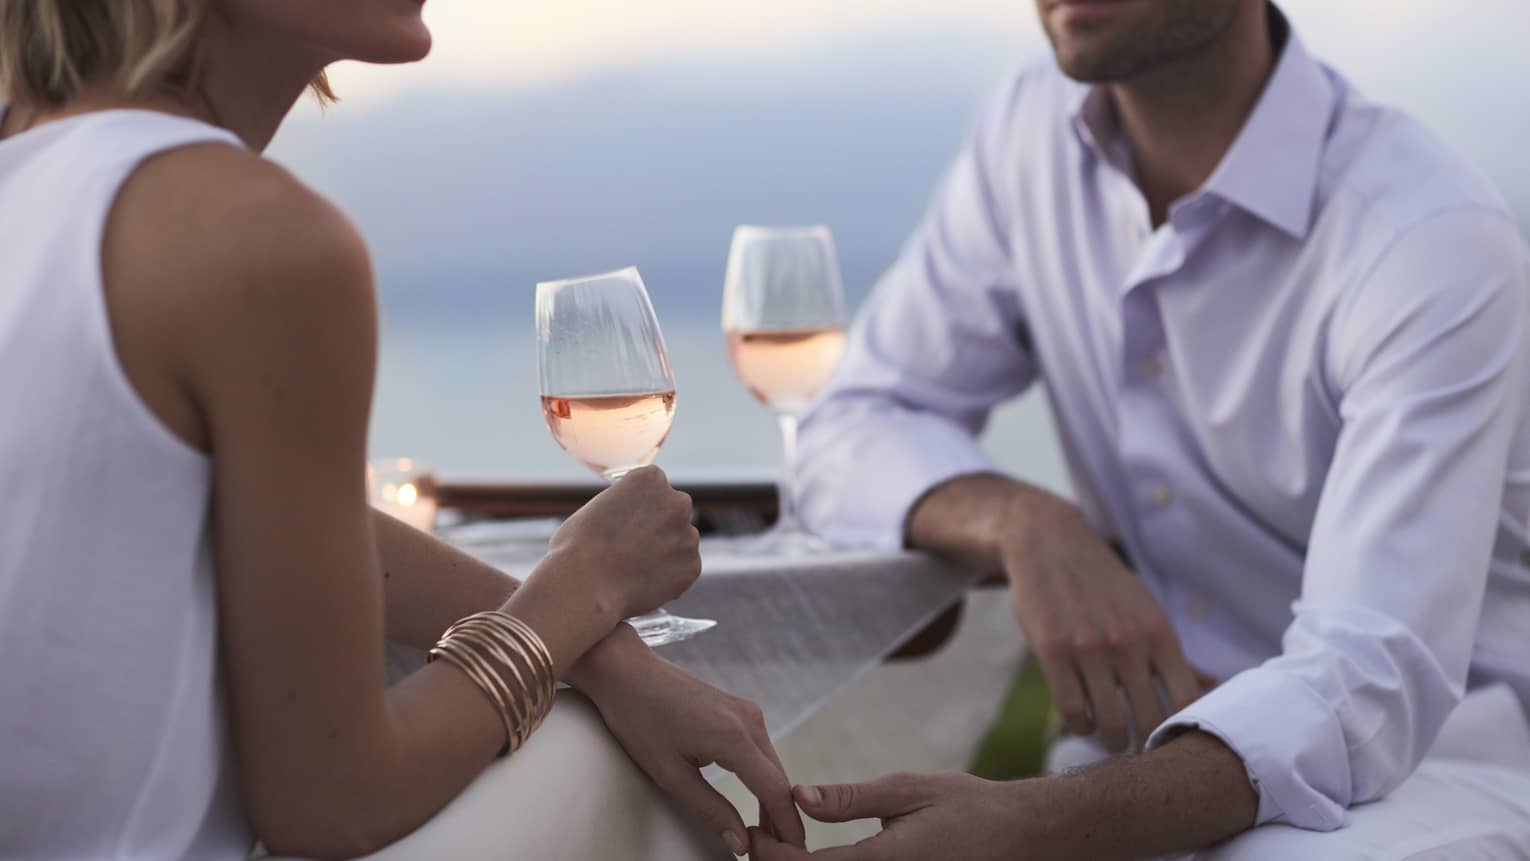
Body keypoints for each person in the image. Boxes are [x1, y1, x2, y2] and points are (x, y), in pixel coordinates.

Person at [0, 2, 803, 859]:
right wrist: (583, 586)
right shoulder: (256, 238)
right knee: (600, 752)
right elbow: (329, 802)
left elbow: (248, 521)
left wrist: (609, 656)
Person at [759, 0, 1530, 858]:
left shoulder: (1427, 239)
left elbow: (1367, 685)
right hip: (1146, 753)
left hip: (1440, 770)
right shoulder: (1027, 138)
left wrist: (1028, 825)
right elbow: (847, 423)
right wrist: (1024, 521)